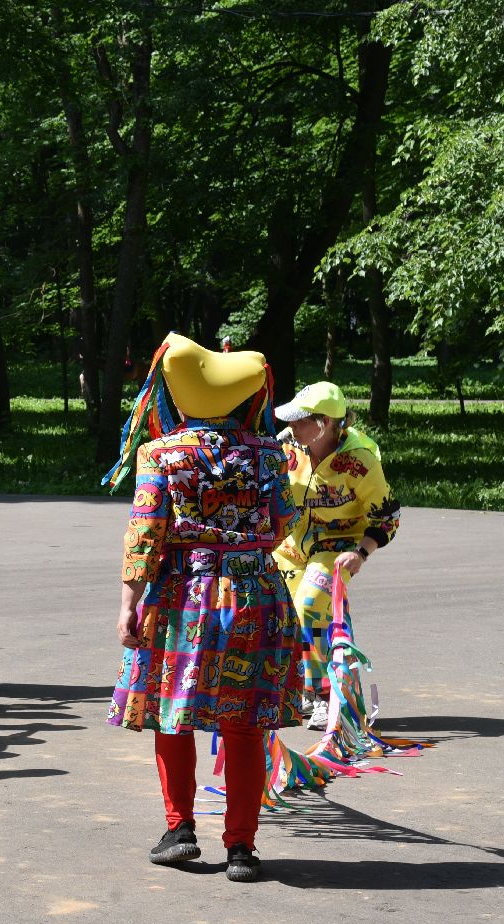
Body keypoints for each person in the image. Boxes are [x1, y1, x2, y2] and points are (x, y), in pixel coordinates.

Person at [102, 332, 301, 883]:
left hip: (183, 594)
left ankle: (180, 829)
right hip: (255, 594)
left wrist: (128, 604)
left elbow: (144, 534)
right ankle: (242, 847)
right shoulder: (269, 453)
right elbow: (284, 523)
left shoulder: (161, 453)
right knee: (245, 722)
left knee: (174, 712)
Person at [271, 381, 401, 723]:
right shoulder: (288, 447)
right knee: (288, 616)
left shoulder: (360, 461)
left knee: (310, 606)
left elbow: (387, 516)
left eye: (300, 421)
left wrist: (361, 553)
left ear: (325, 423)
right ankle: (312, 691)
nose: (291, 427)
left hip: (336, 547)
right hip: (289, 547)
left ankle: (323, 696)